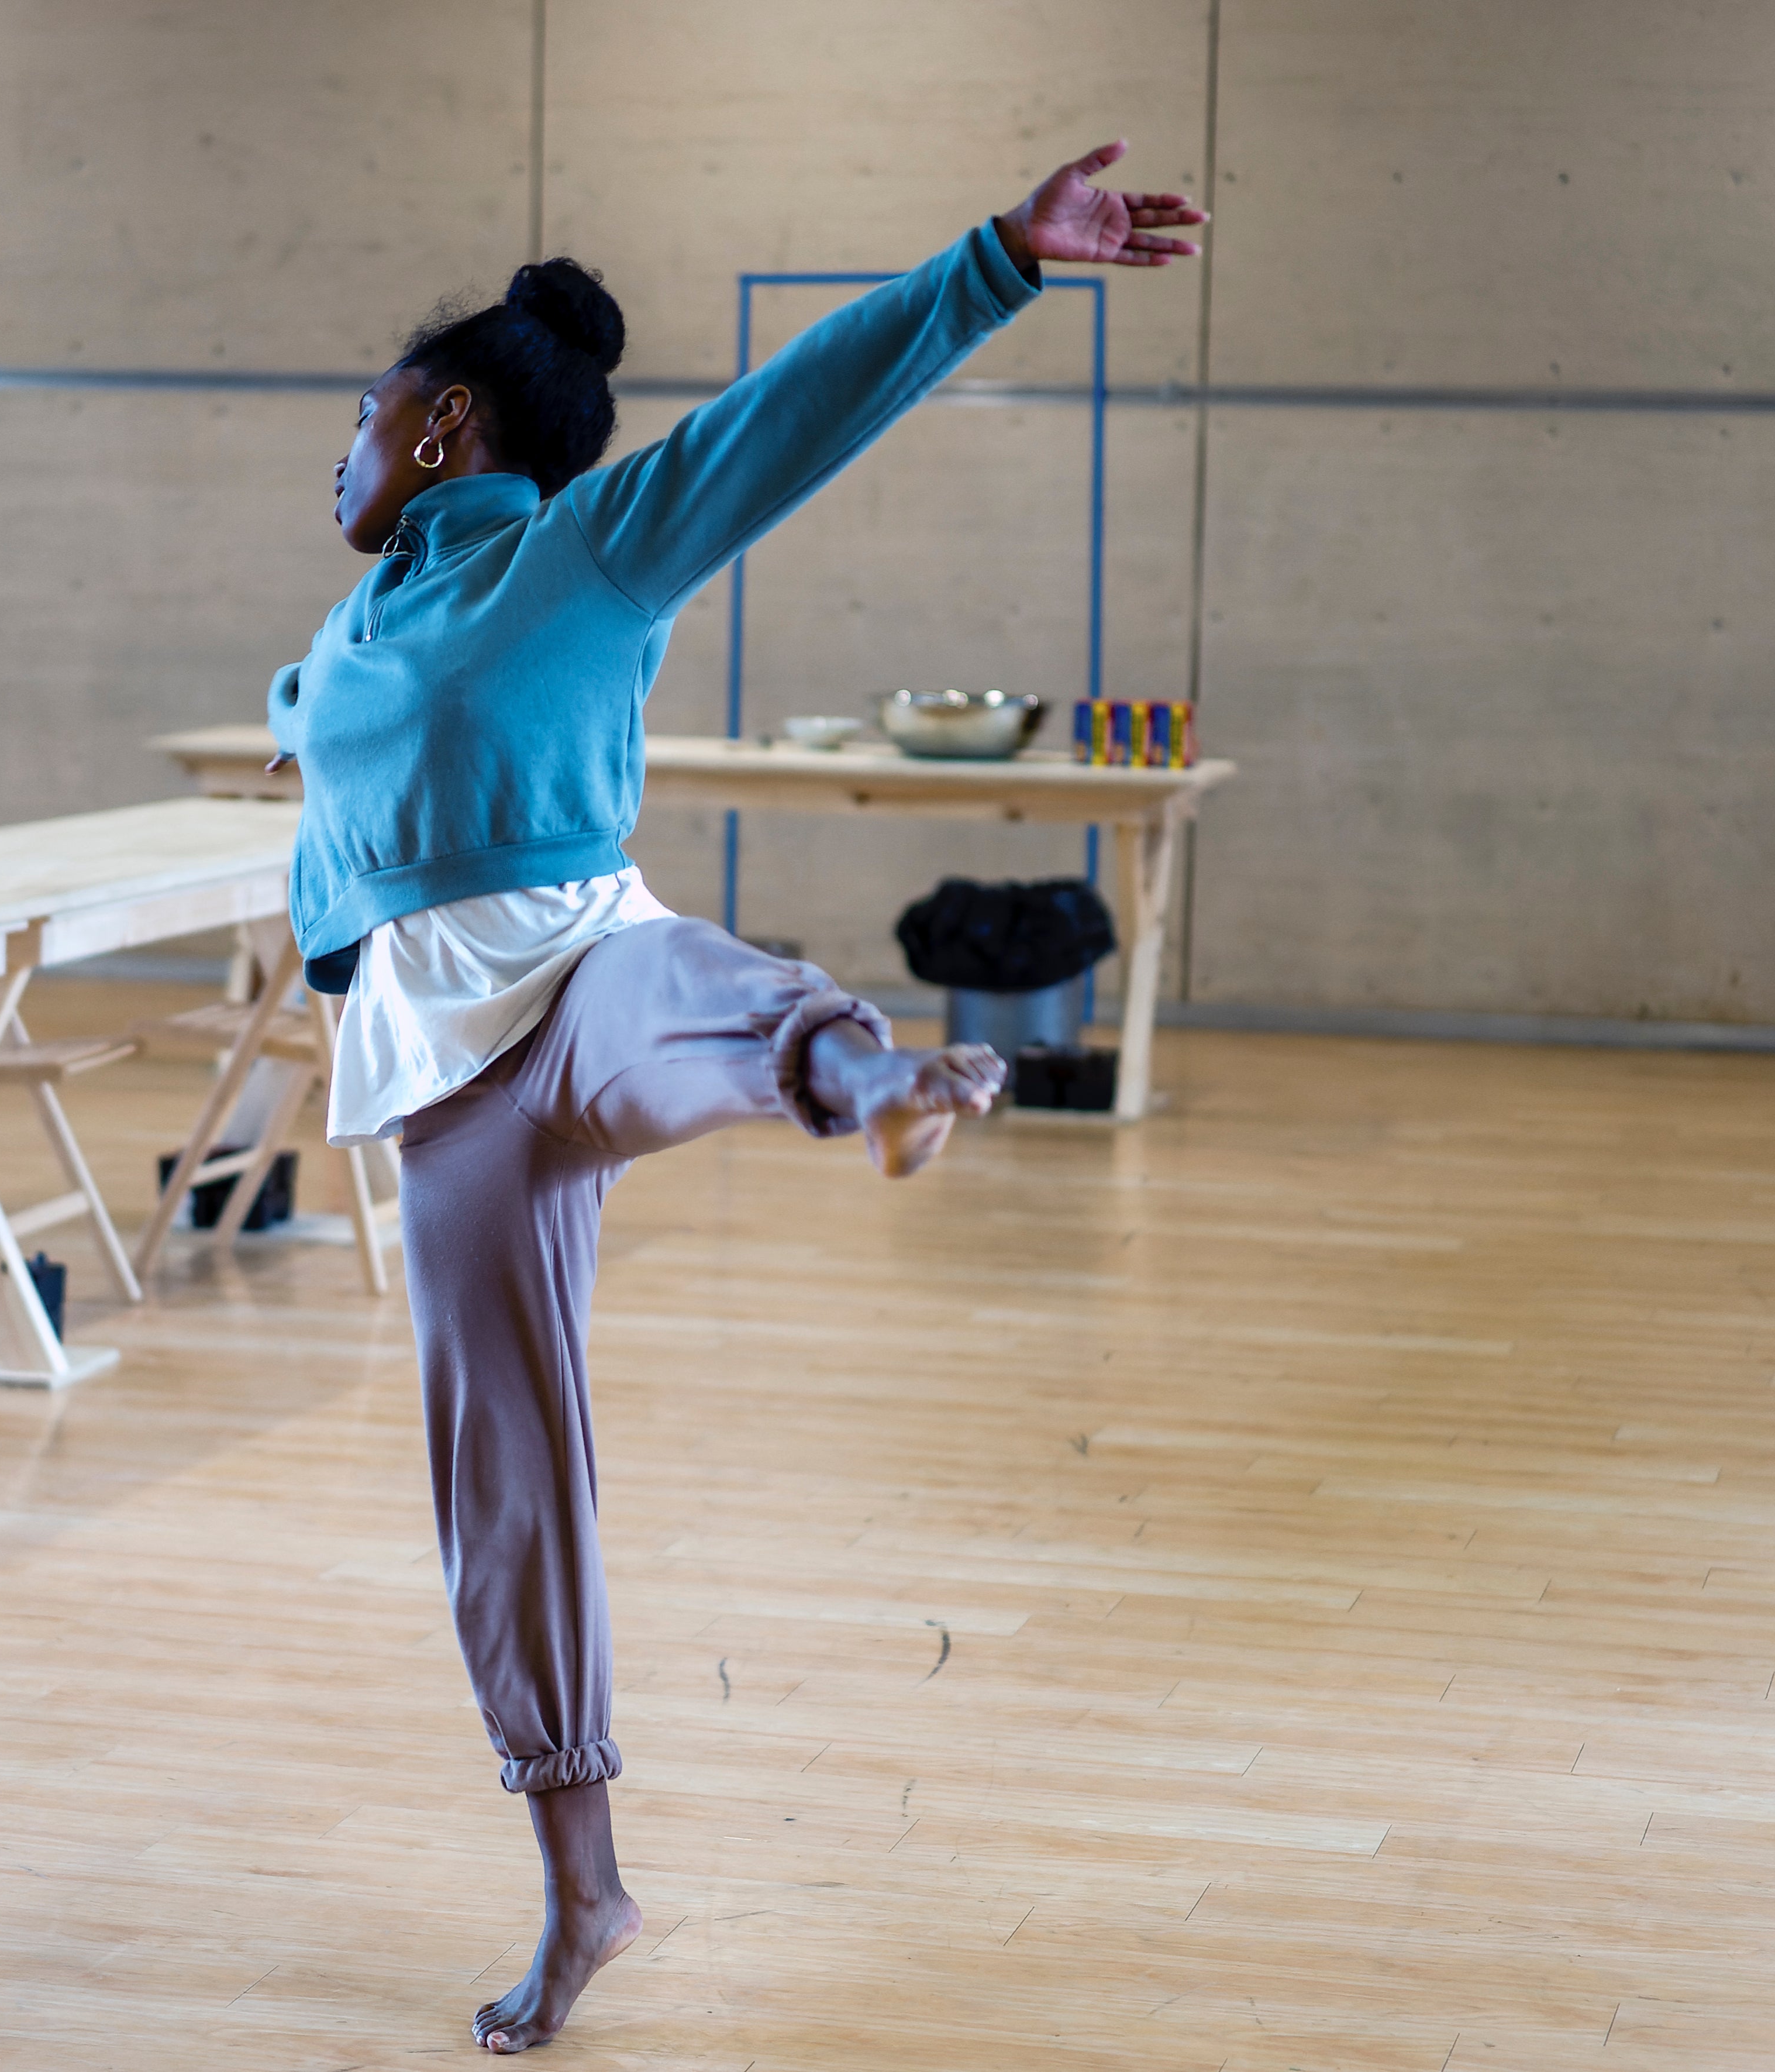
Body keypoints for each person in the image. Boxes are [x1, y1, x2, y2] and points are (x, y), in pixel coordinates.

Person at [266, 140, 1202, 2053]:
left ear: (446, 426)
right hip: (447, 1083)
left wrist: (1000, 261)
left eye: (358, 421)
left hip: (583, 974)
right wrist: (336, 935)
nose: (336, 455)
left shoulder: (586, 550)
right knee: (507, 1500)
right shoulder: (340, 646)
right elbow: (326, 791)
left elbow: (791, 417)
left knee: (686, 983)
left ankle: (870, 1076)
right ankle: (584, 1886)